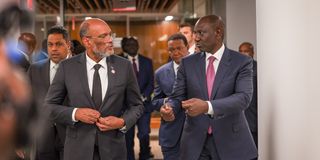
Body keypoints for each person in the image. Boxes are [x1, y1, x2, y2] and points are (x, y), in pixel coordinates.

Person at [161, 15, 258, 160]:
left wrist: (207, 106)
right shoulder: (187, 63)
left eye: (201, 33)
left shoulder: (241, 62)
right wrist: (169, 108)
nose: (196, 38)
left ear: (218, 33)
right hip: (195, 143)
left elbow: (243, 98)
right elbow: (177, 97)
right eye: (195, 33)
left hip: (231, 141)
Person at [45, 18, 144, 160]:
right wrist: (75, 113)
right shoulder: (67, 67)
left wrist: (122, 122)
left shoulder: (124, 66)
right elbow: (48, 107)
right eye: (104, 36)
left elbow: (137, 105)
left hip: (113, 150)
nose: (110, 40)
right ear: (87, 41)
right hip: (77, 151)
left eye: (110, 35)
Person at [28, 25, 71, 160]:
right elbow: (27, 103)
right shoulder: (35, 69)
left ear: (68, 45)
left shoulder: (80, 69)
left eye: (59, 44)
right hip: (43, 138)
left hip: (71, 136)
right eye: (50, 44)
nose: (53, 49)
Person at [152, 33, 189, 160]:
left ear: (187, 47)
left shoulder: (200, 67)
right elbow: (155, 102)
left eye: (179, 48)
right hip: (171, 132)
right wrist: (168, 101)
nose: (176, 52)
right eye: (172, 50)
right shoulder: (160, 73)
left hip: (197, 132)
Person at [120, 37, 154, 160]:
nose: (132, 46)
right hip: (127, 108)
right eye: (129, 44)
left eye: (134, 44)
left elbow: (151, 82)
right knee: (128, 138)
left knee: (144, 134)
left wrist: (144, 96)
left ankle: (144, 156)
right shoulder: (119, 62)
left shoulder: (147, 61)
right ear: (125, 47)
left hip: (144, 106)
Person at [239, 42, 258, 147]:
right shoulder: (236, 69)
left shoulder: (259, 69)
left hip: (253, 119)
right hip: (239, 120)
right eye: (240, 51)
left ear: (252, 53)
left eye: (246, 51)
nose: (243, 54)